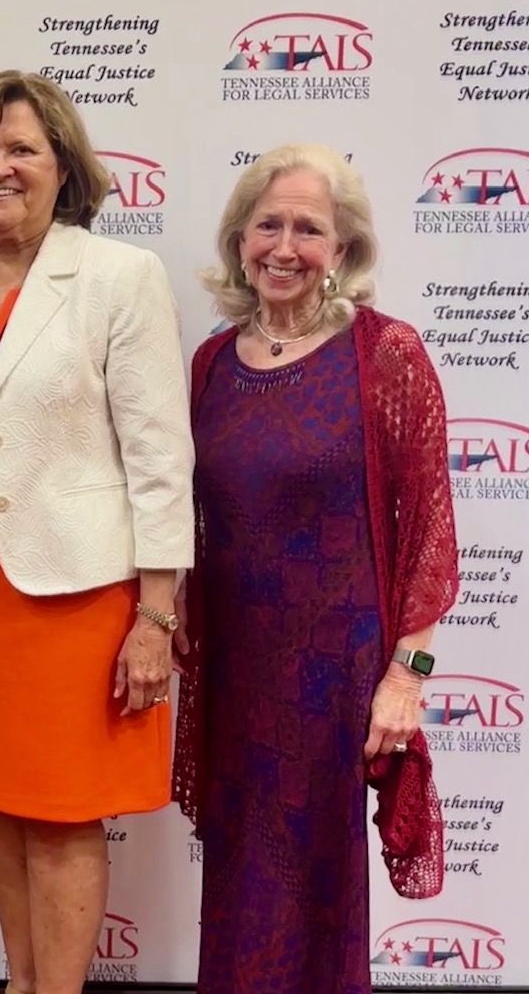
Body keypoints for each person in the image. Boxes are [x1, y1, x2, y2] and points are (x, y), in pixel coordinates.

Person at [0, 70, 194, 994]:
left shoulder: (119, 276)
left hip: (79, 594)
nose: (0, 168)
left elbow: (160, 455)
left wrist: (156, 615)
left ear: (62, 166)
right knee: (0, 794)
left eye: (22, 149)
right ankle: (21, 980)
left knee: (65, 811)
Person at [172, 144, 458, 993]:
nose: (285, 247)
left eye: (309, 228)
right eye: (269, 224)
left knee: (319, 892)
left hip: (335, 680)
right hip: (236, 675)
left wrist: (408, 676)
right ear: (240, 238)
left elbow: (432, 536)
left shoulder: (386, 355)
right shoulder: (211, 364)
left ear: (343, 248)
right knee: (238, 887)